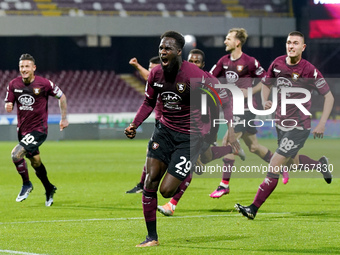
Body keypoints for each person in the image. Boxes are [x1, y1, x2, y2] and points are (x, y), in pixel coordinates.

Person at [124, 31, 239, 247]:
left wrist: (230, 126)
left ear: (178, 51)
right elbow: (148, 102)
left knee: (167, 190)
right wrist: (134, 124)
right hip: (163, 131)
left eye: (167, 48)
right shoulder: (156, 74)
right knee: (150, 181)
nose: (162, 52)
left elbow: (225, 96)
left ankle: (195, 164)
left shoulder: (194, 75)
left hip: (189, 137)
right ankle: (152, 238)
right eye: (160, 48)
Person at [235, 31, 334, 220]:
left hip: (299, 127)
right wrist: (265, 101)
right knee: (293, 163)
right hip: (280, 124)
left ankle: (253, 208)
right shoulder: (277, 63)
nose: (291, 46)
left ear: (303, 47)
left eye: (295, 43)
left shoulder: (309, 70)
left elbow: (329, 96)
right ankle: (320, 165)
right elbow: (266, 83)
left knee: (275, 164)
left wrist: (322, 123)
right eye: (289, 42)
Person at [157, 48, 246, 217]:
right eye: (190, 61)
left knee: (188, 165)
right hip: (185, 128)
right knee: (204, 158)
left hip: (205, 130)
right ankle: (231, 149)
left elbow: (226, 103)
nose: (193, 64)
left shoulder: (210, 80)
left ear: (203, 65)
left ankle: (171, 204)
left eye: (197, 62)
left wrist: (230, 129)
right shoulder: (180, 79)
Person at [209, 27, 283, 199]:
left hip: (247, 108)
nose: (225, 41)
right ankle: (280, 166)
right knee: (254, 147)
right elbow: (210, 76)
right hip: (233, 108)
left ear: (237, 42)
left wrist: (249, 92)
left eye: (228, 38)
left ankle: (224, 185)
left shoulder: (250, 61)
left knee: (228, 139)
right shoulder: (223, 61)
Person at [4, 53, 69, 207]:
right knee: (35, 162)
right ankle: (49, 188)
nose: (24, 69)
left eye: (27, 66)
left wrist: (64, 118)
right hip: (23, 131)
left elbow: (62, 97)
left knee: (15, 154)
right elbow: (9, 101)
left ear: (34, 68)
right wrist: (8, 105)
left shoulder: (45, 84)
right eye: (21, 67)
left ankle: (26, 184)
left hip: (38, 130)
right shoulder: (13, 84)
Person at [126, 56, 161, 194]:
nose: (149, 72)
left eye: (152, 68)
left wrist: (137, 66)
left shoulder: (168, 80)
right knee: (151, 152)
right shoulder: (154, 80)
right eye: (149, 68)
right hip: (161, 125)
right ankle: (143, 184)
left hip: (176, 125)